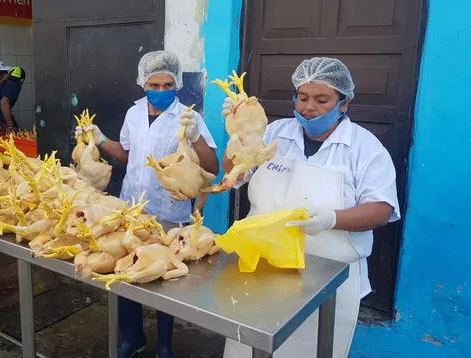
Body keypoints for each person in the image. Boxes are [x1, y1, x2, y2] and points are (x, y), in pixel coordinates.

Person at [221, 57, 400, 357]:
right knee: (247, 347)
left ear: (344, 103)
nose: (308, 107)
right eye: (302, 98)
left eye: (322, 99)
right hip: (260, 268)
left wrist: (331, 219)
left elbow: (381, 209)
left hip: (327, 279)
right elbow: (234, 172)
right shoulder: (275, 132)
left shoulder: (364, 148)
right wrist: (237, 137)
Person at [75, 51, 219, 358]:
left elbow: (212, 166)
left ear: (177, 83)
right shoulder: (133, 114)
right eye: (156, 84)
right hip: (131, 208)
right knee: (127, 270)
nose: (163, 90)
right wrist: (99, 140)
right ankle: (132, 337)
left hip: (169, 212)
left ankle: (165, 344)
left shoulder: (188, 118)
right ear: (143, 83)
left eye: (169, 85)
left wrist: (195, 138)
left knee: (165, 279)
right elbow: (128, 153)